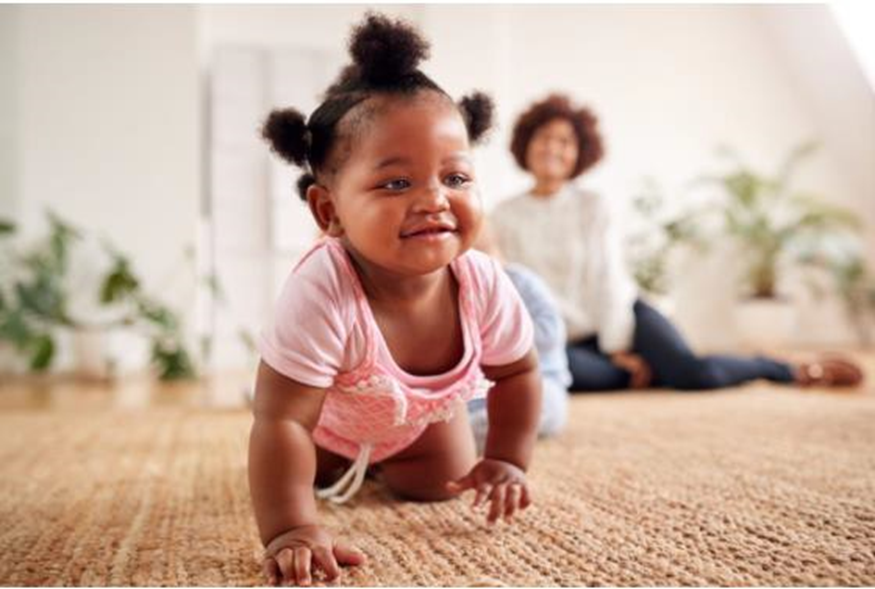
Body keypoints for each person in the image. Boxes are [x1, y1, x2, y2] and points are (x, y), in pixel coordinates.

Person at [250, 14, 542, 587]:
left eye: (455, 178)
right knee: (298, 468)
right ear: (329, 212)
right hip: (325, 425)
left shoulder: (482, 281)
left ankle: (394, 461)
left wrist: (507, 457)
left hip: (420, 422)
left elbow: (518, 373)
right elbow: (282, 418)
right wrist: (289, 529)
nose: (434, 199)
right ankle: (333, 468)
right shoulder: (322, 289)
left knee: (440, 485)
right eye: (396, 183)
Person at [491, 93, 864, 392]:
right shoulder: (503, 215)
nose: (553, 148)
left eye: (565, 141)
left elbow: (610, 279)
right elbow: (520, 292)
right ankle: (647, 373)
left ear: (579, 154)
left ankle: (783, 368)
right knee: (550, 375)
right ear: (526, 144)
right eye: (544, 138)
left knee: (693, 374)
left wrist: (617, 345)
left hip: (624, 317)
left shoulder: (593, 205)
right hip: (569, 342)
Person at [468, 222, 570, 453]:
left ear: (497, 252)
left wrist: (495, 335)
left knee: (545, 409)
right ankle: (437, 442)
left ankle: (470, 437)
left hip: (537, 379)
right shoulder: (454, 294)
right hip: (473, 391)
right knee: (437, 413)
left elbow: (551, 332)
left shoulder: (522, 281)